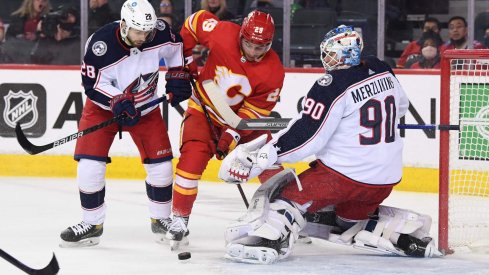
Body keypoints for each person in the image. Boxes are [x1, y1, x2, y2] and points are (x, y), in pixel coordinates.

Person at [218, 25, 441, 264]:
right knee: (345, 219)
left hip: (343, 177)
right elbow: (402, 107)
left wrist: (266, 156)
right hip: (385, 178)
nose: (327, 59)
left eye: (331, 53)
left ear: (347, 53)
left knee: (283, 197)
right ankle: (399, 233)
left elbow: (308, 137)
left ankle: (270, 241)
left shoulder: (331, 84)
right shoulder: (381, 68)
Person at [59, 0, 192, 247]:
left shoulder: (159, 32)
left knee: (162, 168)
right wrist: (116, 100)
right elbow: (92, 85)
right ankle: (91, 224)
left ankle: (161, 220)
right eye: (138, 31)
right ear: (123, 25)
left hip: (146, 108)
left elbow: (177, 48)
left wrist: (177, 75)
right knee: (89, 167)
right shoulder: (100, 45)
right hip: (103, 111)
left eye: (147, 31)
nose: (144, 36)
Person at [164, 9, 285, 249]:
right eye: (248, 44)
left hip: (242, 121)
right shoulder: (222, 32)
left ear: (270, 44)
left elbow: (253, 113)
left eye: (260, 48)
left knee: (268, 159)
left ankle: (283, 215)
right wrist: (184, 63)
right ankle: (179, 219)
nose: (252, 52)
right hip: (204, 108)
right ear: (241, 34)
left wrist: (231, 135)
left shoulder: (274, 72)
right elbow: (193, 22)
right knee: (191, 160)